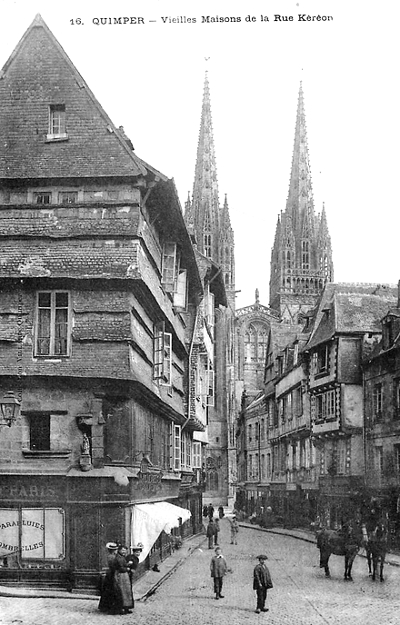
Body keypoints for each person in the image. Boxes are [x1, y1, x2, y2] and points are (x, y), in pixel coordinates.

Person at [110, 544, 134, 615]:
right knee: (122, 591)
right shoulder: (118, 558)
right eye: (123, 550)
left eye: (125, 551)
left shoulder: (121, 557)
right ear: (119, 550)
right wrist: (127, 568)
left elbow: (122, 565)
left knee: (126, 591)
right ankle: (121, 608)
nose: (124, 552)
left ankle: (126, 607)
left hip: (124, 575)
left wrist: (127, 565)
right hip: (120, 575)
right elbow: (120, 568)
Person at [98, 541, 118, 614]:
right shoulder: (112, 557)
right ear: (114, 550)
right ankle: (109, 607)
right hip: (112, 574)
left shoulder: (110, 556)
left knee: (107, 590)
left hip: (109, 574)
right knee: (111, 590)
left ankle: (104, 606)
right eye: (115, 550)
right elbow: (113, 567)